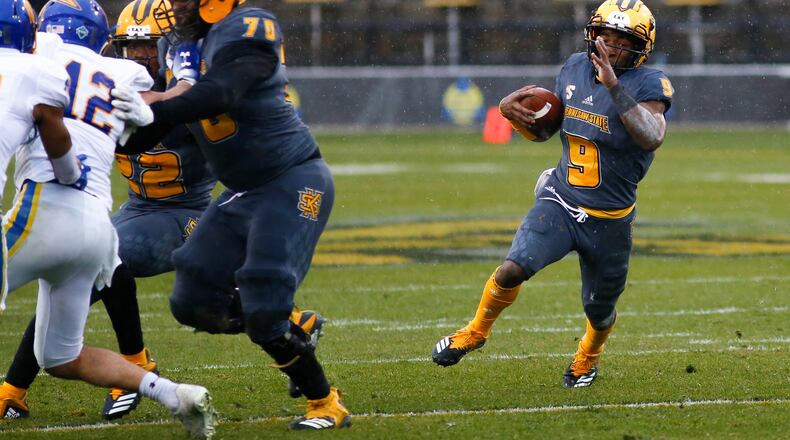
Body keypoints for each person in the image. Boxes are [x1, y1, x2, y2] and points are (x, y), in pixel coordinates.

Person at [0, 0, 322, 422]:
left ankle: (31, 385)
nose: (139, 56)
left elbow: (207, 108)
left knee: (111, 262)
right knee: (93, 268)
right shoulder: (111, 79)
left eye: (149, 46)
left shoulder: (191, 90)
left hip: (187, 212)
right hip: (137, 207)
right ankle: (290, 320)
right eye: (130, 47)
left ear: (169, 45)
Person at [110, 0, 350, 430]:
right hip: (244, 190)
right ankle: (293, 326)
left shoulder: (250, 26)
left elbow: (220, 92)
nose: (175, 8)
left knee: (263, 297)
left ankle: (325, 403)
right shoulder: (182, 48)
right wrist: (102, 122)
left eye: (184, 0)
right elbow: (141, 138)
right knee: (191, 300)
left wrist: (160, 103)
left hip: (293, 179)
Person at [0, 1, 216, 438]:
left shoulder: (35, 61)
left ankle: (12, 390)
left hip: (48, 205)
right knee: (60, 356)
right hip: (96, 225)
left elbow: (48, 118)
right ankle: (174, 393)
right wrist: (189, 77)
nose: (139, 55)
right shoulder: (124, 76)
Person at [432, 0, 673, 389]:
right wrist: (514, 116)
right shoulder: (575, 67)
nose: (609, 47)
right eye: (603, 36)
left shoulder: (648, 83)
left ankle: (587, 358)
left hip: (609, 218)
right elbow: (546, 132)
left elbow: (652, 136)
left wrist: (613, 85)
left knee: (600, 308)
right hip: (561, 199)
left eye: (621, 40)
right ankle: (475, 331)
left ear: (640, 47)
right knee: (515, 266)